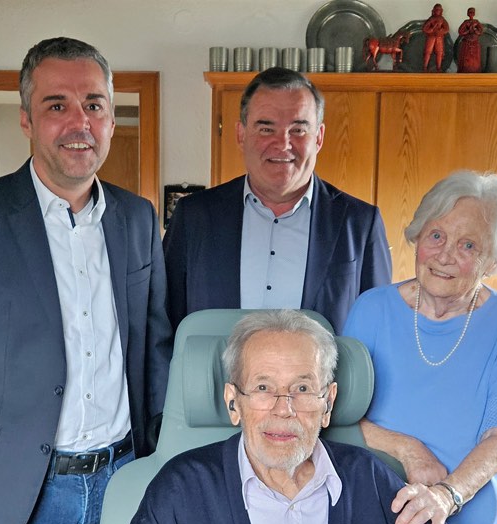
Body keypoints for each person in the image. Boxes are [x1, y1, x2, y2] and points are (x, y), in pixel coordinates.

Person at [0, 37, 173, 524]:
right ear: (27, 120)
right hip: (10, 500)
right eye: (57, 105)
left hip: (122, 486)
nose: (80, 122)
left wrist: (162, 467)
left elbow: (156, 354)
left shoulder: (139, 218)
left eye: (94, 105)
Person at [110, 310, 493, 524]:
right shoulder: (182, 487)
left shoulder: (368, 479)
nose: (283, 407)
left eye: (303, 389)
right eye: (262, 388)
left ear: (328, 403)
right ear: (233, 403)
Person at [343, 171, 497, 524]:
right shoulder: (371, 309)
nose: (445, 255)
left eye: (468, 245)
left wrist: (447, 495)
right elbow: (335, 416)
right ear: (417, 237)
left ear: (492, 261)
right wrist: (409, 449)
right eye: (436, 236)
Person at [163, 67, 392, 334]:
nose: (283, 144)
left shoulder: (360, 224)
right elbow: (165, 325)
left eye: (298, 130)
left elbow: (379, 331)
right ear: (241, 134)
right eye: (265, 128)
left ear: (318, 137)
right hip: (211, 377)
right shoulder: (194, 217)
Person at [422, 3, 450, 72]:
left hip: (439, 38)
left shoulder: (442, 19)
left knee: (439, 52)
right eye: (436, 10)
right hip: (431, 37)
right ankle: (425, 67)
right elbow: (425, 29)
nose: (438, 11)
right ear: (434, 10)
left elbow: (446, 29)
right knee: (428, 52)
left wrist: (441, 30)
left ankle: (438, 67)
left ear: (441, 11)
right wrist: (431, 29)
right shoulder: (431, 19)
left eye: (439, 10)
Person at [456, 7, 484, 73]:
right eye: (470, 12)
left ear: (474, 13)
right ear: (467, 13)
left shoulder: (476, 22)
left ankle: (475, 70)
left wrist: (475, 30)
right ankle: (465, 70)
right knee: (466, 58)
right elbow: (460, 32)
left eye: (472, 12)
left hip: (475, 43)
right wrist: (468, 30)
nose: (471, 14)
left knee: (475, 58)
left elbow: (481, 32)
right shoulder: (466, 22)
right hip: (467, 42)